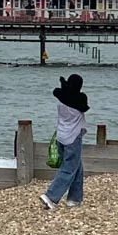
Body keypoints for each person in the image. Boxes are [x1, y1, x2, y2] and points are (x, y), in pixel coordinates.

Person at [41, 75, 89, 210]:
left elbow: (61, 92)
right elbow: (84, 106)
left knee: (77, 166)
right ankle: (51, 196)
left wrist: (64, 86)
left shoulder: (61, 99)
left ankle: (74, 198)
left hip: (61, 135)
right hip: (73, 137)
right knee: (68, 169)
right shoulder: (79, 101)